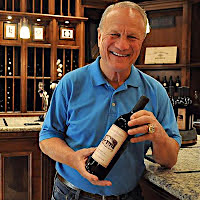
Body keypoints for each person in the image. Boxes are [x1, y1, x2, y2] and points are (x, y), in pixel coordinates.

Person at [39, 1, 181, 200]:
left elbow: (170, 160)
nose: (122, 45)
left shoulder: (155, 91)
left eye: (132, 36)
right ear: (99, 36)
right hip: (71, 194)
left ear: (141, 42)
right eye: (114, 34)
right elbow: (47, 137)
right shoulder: (71, 83)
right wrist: (72, 158)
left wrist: (157, 134)